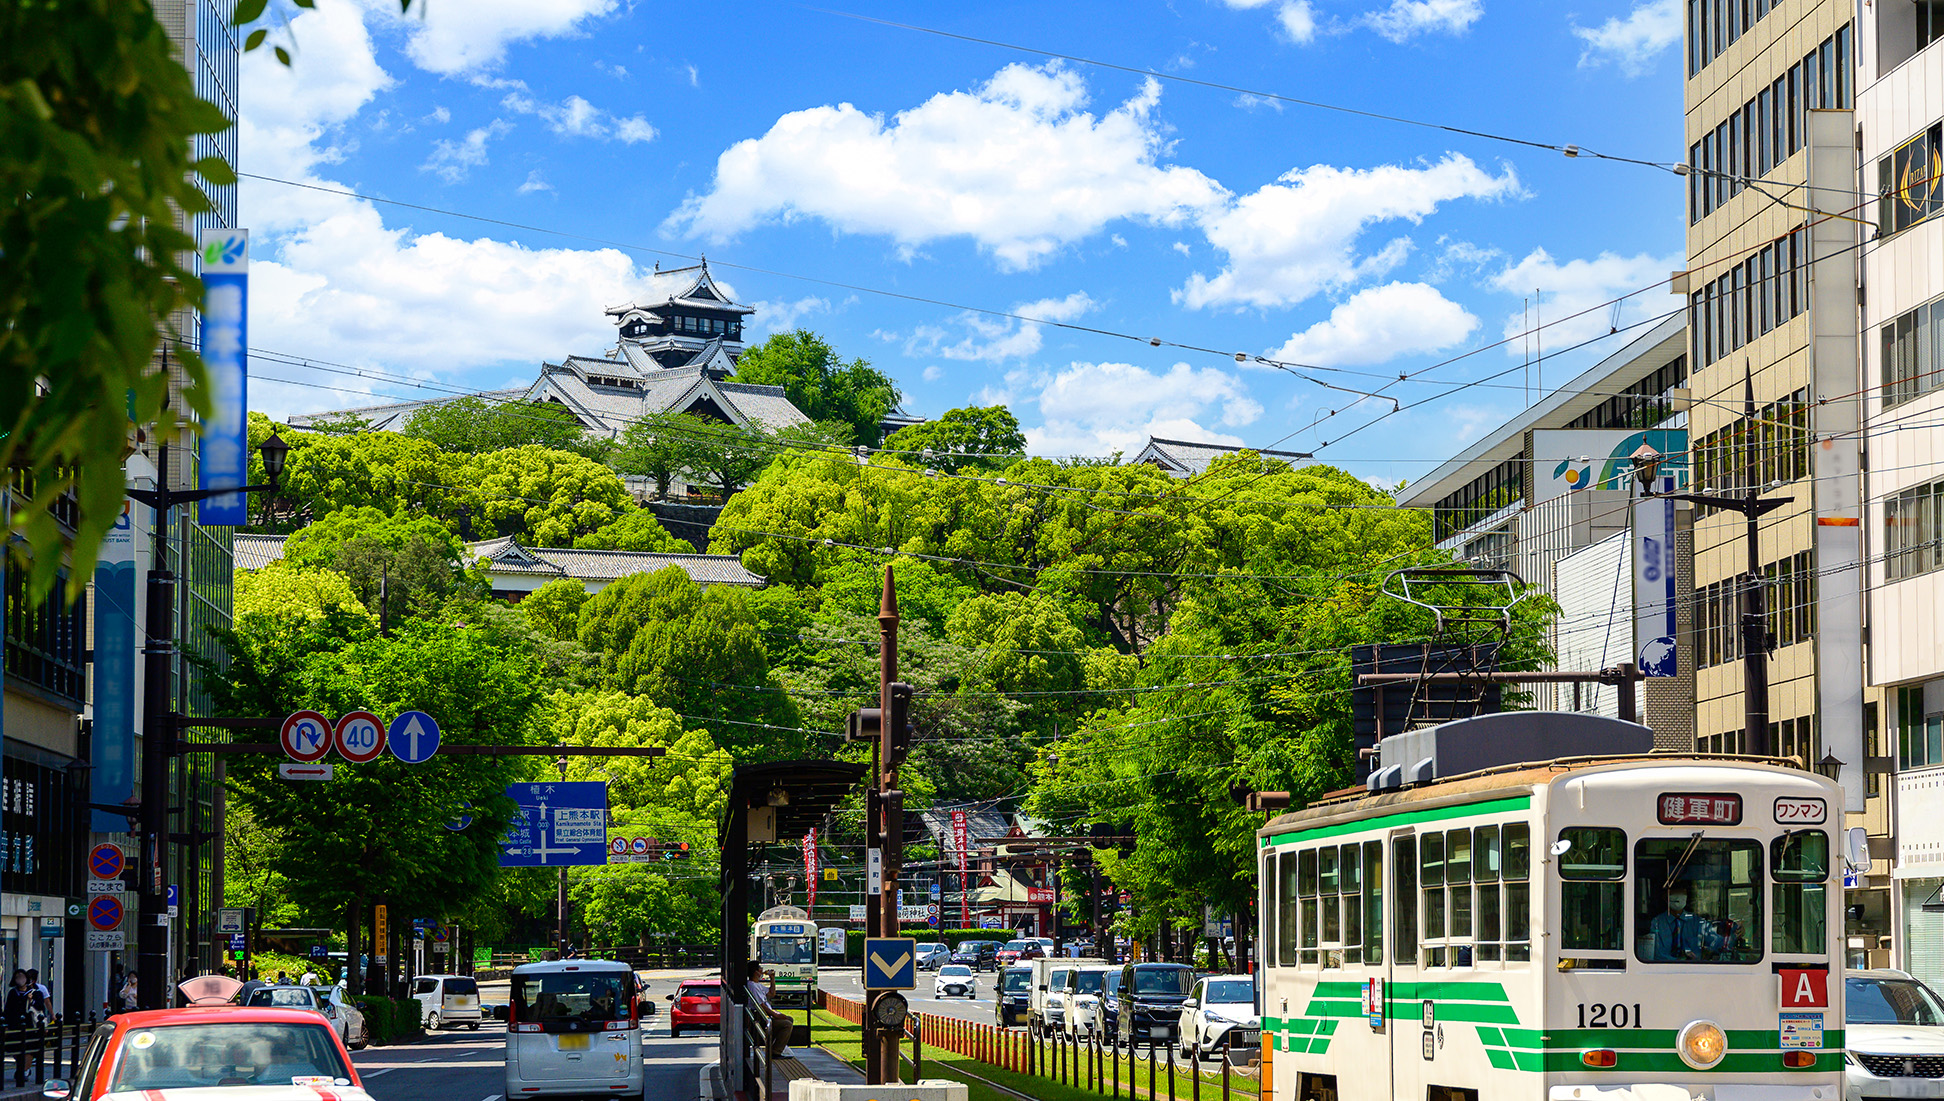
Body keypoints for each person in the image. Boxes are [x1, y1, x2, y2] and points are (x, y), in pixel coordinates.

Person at [1650, 883, 1736, 961]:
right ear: (1665, 897)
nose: (1679, 896)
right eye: (1674, 893)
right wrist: (1680, 961)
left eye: (1682, 893)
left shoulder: (1696, 922)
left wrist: (1734, 931)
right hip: (1664, 971)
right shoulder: (1657, 922)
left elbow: (1716, 942)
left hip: (1694, 970)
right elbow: (1656, 954)